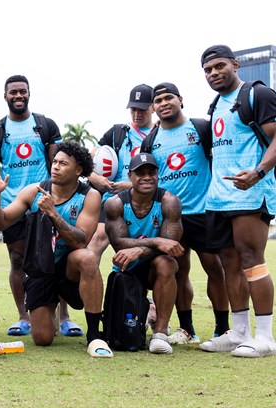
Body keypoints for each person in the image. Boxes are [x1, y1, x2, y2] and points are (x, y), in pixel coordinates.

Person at [0, 141, 112, 357]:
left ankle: (94, 335)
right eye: (54, 162)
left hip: (68, 268)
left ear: (78, 170)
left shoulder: (89, 196)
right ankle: (49, 310)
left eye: (63, 163)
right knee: (42, 339)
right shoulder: (33, 191)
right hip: (40, 269)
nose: (56, 166)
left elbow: (80, 241)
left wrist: (53, 213)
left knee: (87, 258)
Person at [0, 75, 75, 338]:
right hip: (14, 206)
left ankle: (64, 317)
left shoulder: (45, 126)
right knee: (17, 260)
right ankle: (24, 317)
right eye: (13, 92)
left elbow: (59, 164)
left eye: (22, 91)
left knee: (57, 259)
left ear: (29, 93)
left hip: (45, 202)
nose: (18, 96)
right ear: (5, 96)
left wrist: (59, 198)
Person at [199, 45, 276, 357]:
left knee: (251, 260)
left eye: (219, 66)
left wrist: (257, 173)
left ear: (235, 64)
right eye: (208, 69)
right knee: (229, 263)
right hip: (219, 198)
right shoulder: (216, 105)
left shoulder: (259, 95)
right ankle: (239, 332)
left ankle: (267, 337)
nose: (214, 73)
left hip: (251, 193)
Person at [141, 82, 228, 344]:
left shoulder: (201, 127)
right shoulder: (151, 139)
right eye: (158, 101)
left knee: (215, 268)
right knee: (179, 270)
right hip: (170, 216)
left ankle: (223, 329)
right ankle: (187, 329)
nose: (164, 103)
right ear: (153, 108)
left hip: (204, 211)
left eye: (169, 98)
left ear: (180, 99)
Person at [105, 153, 184, 354]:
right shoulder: (115, 203)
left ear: (159, 175)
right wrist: (156, 240)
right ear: (130, 176)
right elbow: (119, 243)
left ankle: (160, 333)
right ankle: (146, 310)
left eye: (151, 172)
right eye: (140, 173)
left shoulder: (169, 201)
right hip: (126, 268)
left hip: (154, 266)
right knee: (123, 337)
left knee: (167, 263)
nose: (146, 177)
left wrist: (139, 249)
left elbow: (172, 247)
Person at [87, 84, 155, 257]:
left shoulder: (159, 133)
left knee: (144, 254)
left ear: (153, 107)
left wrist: (131, 186)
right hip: (112, 200)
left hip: (145, 203)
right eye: (133, 109)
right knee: (95, 242)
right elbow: (87, 160)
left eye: (142, 109)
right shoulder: (118, 132)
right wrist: (95, 178)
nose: (137, 114)